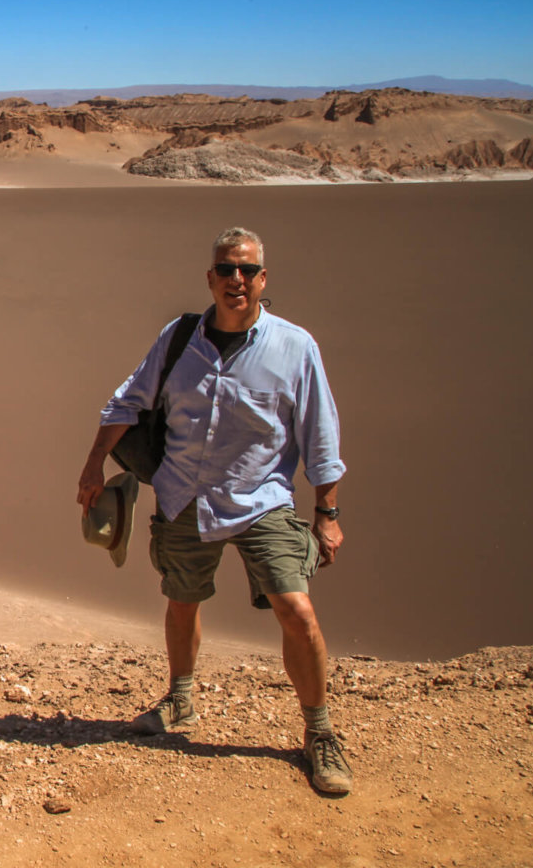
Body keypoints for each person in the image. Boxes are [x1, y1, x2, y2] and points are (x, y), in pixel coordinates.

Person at [76, 227, 352, 795]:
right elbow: (127, 402)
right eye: (226, 270)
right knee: (182, 601)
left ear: (263, 280)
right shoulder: (180, 340)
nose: (236, 281)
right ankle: (180, 700)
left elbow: (319, 435)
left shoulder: (295, 348)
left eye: (247, 271)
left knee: (296, 610)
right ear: (210, 278)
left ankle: (319, 732)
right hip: (183, 497)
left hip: (260, 500)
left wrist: (328, 511)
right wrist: (92, 466)